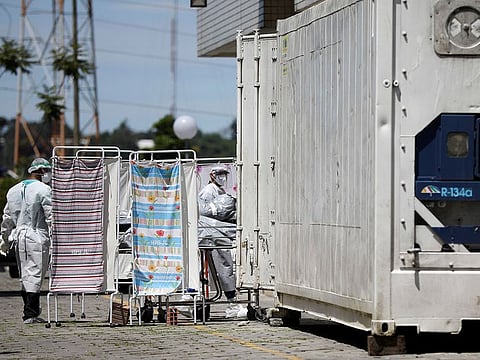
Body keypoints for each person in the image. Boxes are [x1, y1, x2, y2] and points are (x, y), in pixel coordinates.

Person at [0, 157, 52, 324]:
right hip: (37, 235)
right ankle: (30, 313)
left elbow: (6, 218)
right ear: (42, 172)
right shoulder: (44, 189)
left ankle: (29, 311)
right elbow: (51, 216)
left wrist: (4, 240)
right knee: (36, 273)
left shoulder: (13, 190)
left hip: (19, 236)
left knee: (25, 274)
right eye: (47, 171)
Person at [198, 166, 244, 318]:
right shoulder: (209, 191)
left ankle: (231, 300)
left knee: (225, 266)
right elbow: (204, 213)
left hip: (218, 233)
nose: (222, 177)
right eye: (220, 174)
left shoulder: (219, 191)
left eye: (224, 174)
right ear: (212, 175)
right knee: (224, 265)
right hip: (213, 235)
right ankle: (231, 302)